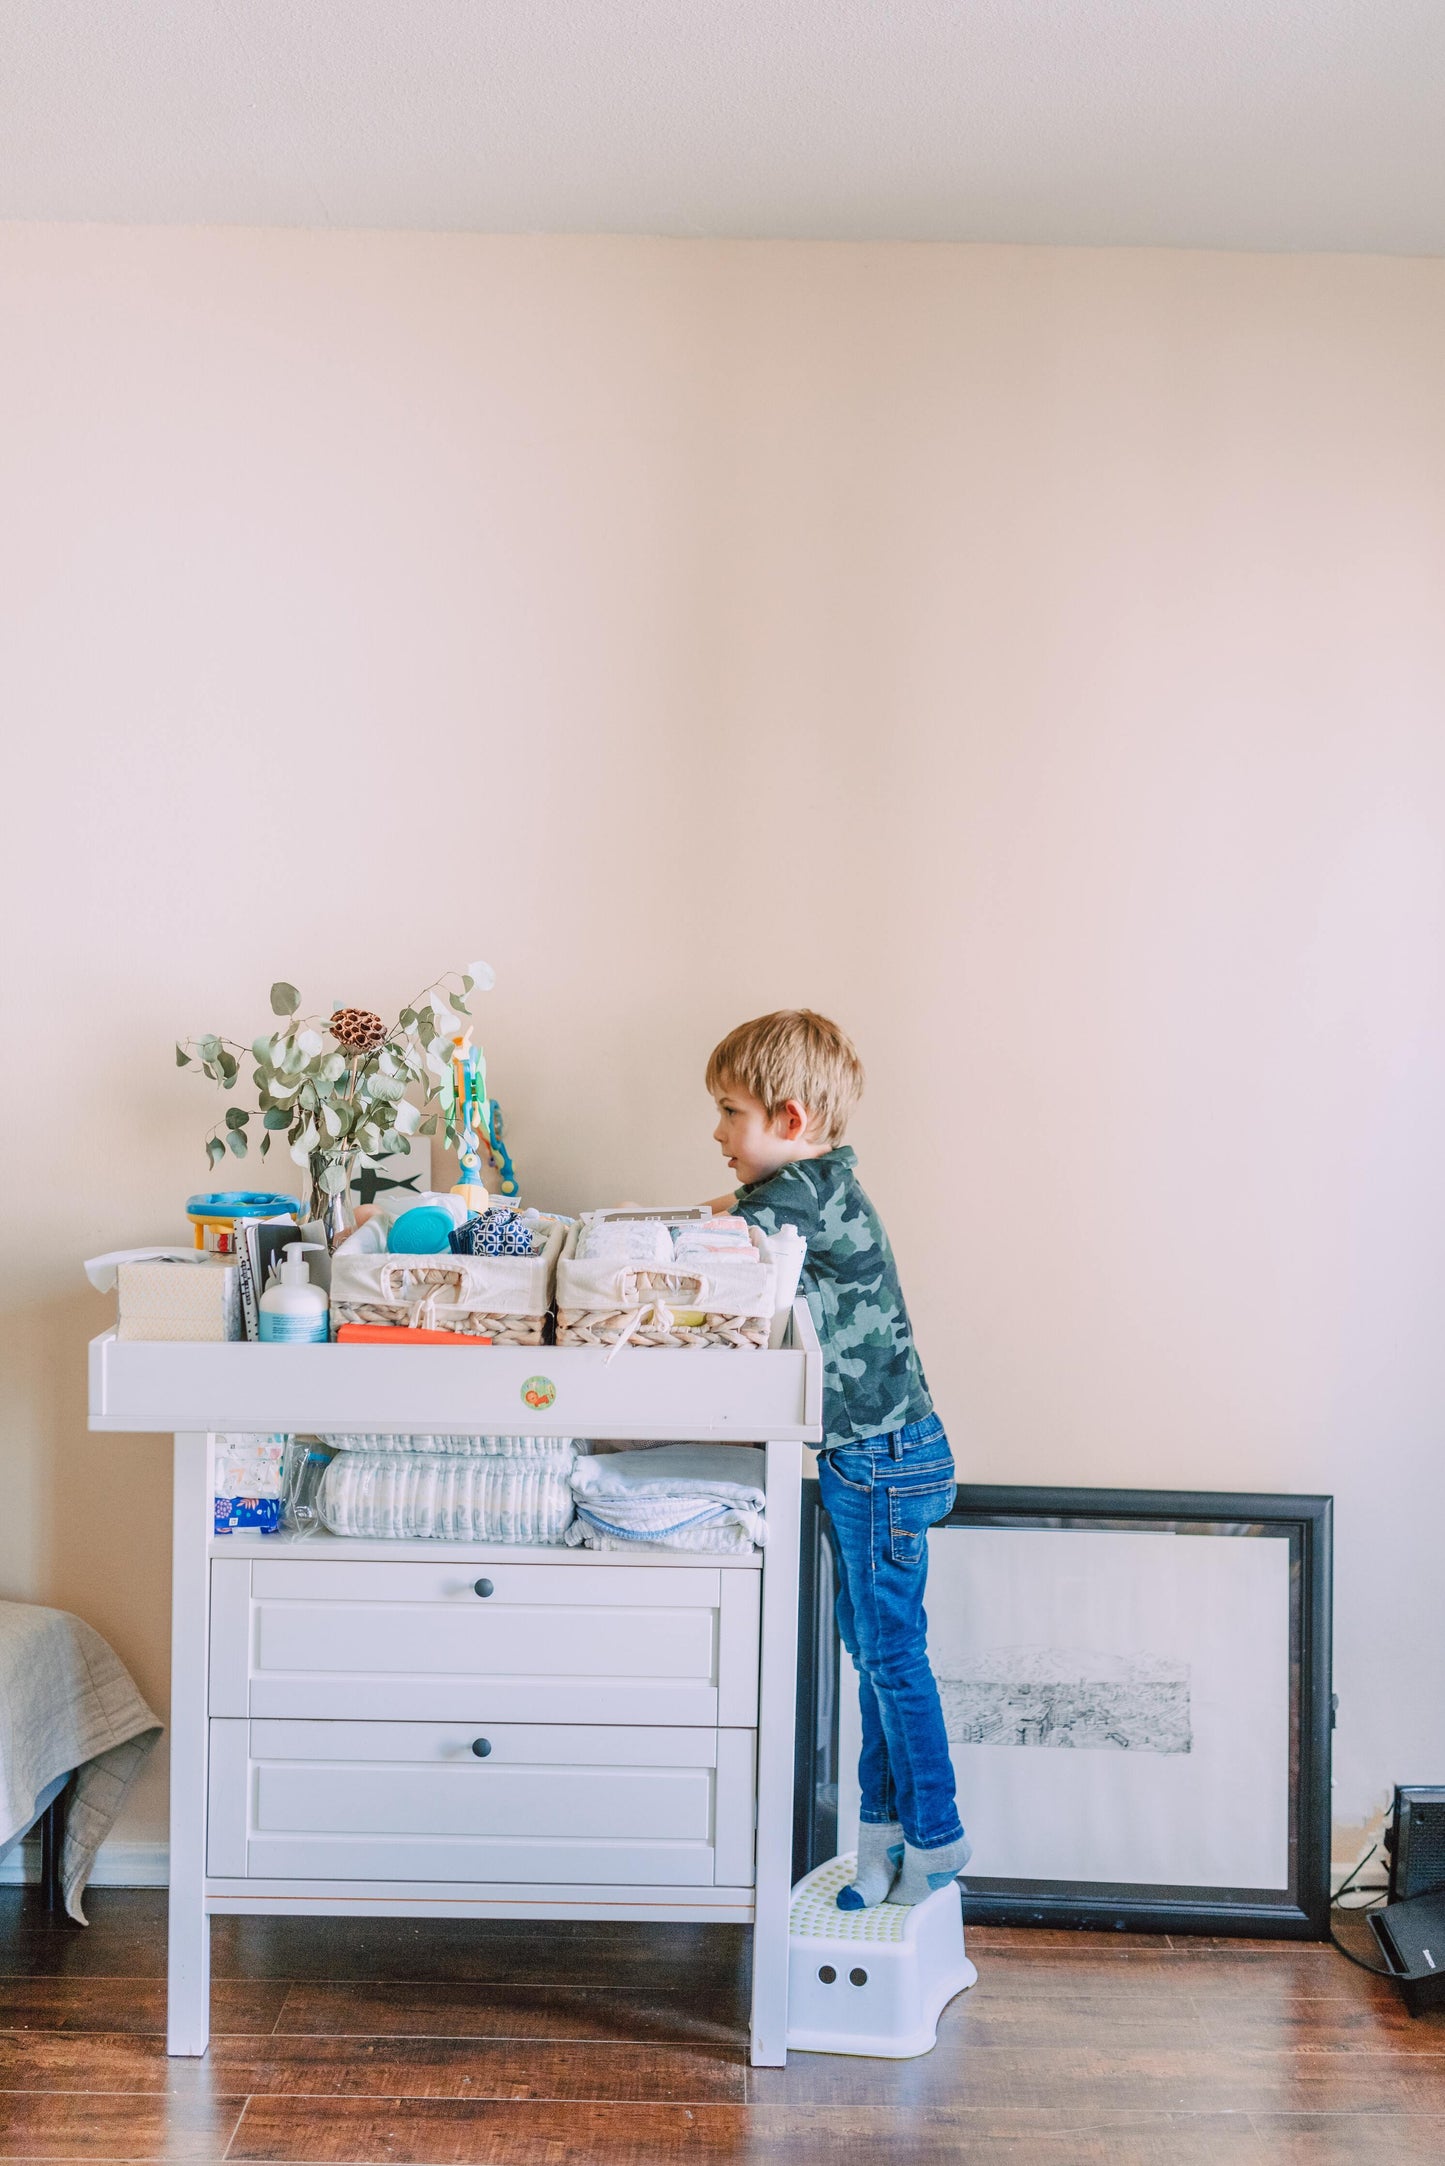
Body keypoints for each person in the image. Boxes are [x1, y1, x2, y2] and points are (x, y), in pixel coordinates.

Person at [704, 1008, 970, 1908]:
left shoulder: (802, 1192)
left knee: (892, 1660)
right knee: (873, 1656)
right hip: (875, 1457)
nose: (717, 1133)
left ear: (789, 1119)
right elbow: (728, 1222)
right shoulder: (813, 1189)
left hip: (881, 1458)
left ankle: (935, 1838)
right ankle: (881, 1842)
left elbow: (710, 1242)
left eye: (729, 1112)